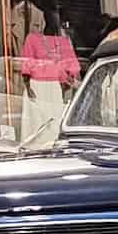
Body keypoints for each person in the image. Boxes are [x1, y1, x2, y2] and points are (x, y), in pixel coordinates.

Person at [20, 8, 80, 141]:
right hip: (37, 86)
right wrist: (28, 87)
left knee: (54, 122)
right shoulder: (32, 39)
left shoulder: (63, 41)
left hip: (54, 86)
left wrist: (65, 84)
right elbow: (26, 65)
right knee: (36, 123)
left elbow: (72, 66)